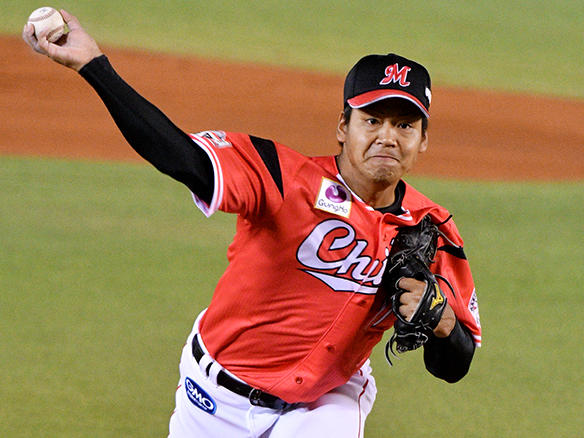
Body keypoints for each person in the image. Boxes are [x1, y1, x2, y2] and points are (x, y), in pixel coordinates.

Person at [23, 10, 481, 438]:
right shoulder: (282, 176)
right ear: (343, 126)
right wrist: (94, 65)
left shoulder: (432, 229)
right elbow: (182, 157)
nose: (387, 137)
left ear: (423, 139)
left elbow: (454, 365)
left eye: (405, 126)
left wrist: (442, 323)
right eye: (373, 120)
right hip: (213, 397)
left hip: (324, 404)